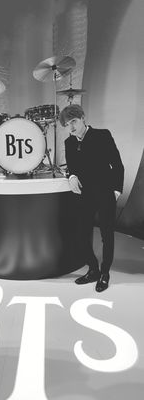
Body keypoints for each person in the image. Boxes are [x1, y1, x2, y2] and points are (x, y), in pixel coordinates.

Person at [59, 104, 124, 292]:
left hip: (105, 192)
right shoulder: (69, 143)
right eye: (67, 124)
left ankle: (105, 273)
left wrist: (117, 190)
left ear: (83, 118)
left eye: (74, 121)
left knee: (106, 235)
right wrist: (71, 176)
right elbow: (72, 168)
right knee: (80, 233)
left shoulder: (102, 135)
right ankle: (93, 269)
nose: (71, 127)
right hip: (85, 195)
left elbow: (117, 165)